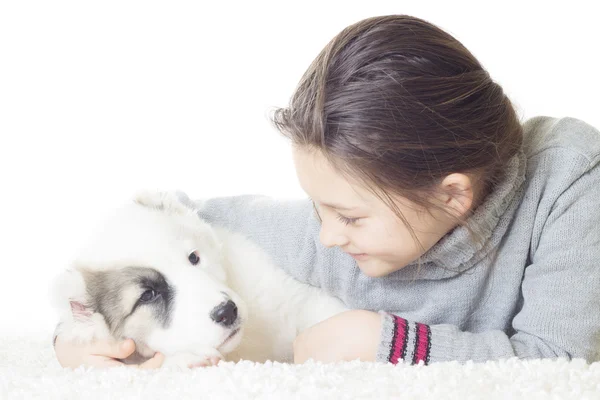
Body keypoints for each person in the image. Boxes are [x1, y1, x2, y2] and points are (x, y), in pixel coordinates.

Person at [54, 14, 600, 368]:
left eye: (350, 216)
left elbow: (556, 363)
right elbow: (175, 222)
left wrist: (385, 343)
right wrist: (81, 334)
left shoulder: (569, 179)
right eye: (317, 207)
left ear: (451, 196)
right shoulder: (322, 235)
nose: (326, 236)